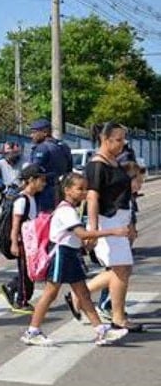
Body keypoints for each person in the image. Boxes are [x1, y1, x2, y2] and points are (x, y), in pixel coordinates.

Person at [20, 173, 130, 346]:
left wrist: (84, 247)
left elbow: (75, 237)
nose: (84, 192)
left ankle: (101, 331)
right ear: (67, 190)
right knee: (50, 294)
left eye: (85, 189)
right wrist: (113, 231)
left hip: (70, 255)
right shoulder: (65, 211)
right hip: (61, 256)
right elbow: (82, 233)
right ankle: (32, 331)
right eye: (80, 189)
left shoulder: (70, 210)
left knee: (83, 294)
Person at [64, 122, 140, 332]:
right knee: (121, 269)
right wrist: (94, 232)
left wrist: (131, 221)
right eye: (117, 139)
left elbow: (125, 195)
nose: (122, 143)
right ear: (104, 140)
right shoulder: (96, 164)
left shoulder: (114, 161)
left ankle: (81, 295)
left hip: (121, 220)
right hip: (108, 221)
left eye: (123, 139)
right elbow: (93, 197)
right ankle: (118, 317)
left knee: (122, 269)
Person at [0, 164, 47, 314]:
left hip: (30, 241)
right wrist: (14, 243)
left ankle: (11, 287)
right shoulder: (22, 200)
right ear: (31, 180)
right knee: (26, 273)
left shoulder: (32, 198)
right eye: (42, 180)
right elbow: (15, 224)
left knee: (28, 271)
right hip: (22, 242)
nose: (44, 184)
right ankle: (21, 301)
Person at [27, 118, 73, 211]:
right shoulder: (64, 146)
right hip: (61, 191)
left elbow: (33, 170)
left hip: (44, 191)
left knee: (42, 220)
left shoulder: (42, 148)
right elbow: (69, 169)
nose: (31, 135)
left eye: (34, 132)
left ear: (45, 132)